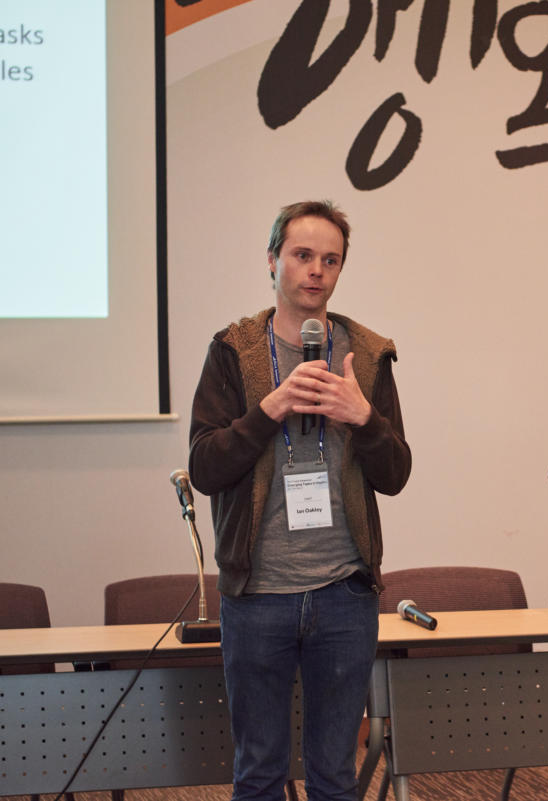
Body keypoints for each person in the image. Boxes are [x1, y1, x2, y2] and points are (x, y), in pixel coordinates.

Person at [188, 200, 412, 801]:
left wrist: (364, 418)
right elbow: (205, 467)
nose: (316, 270)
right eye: (302, 255)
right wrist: (271, 409)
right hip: (258, 594)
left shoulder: (367, 355)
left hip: (344, 594)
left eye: (330, 260)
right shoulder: (233, 351)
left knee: (335, 775)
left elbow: (396, 474)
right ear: (272, 260)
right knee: (259, 772)